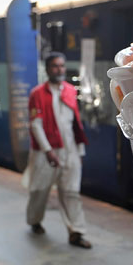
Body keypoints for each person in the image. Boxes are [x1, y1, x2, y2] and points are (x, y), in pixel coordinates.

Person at [26, 52, 91, 249]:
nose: (59, 69)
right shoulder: (37, 93)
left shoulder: (70, 91)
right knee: (39, 191)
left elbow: (76, 125)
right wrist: (47, 151)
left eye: (62, 66)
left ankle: (76, 232)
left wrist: (80, 152)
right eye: (55, 66)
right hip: (45, 151)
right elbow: (35, 125)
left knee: (71, 192)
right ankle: (34, 220)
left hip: (69, 149)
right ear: (47, 70)